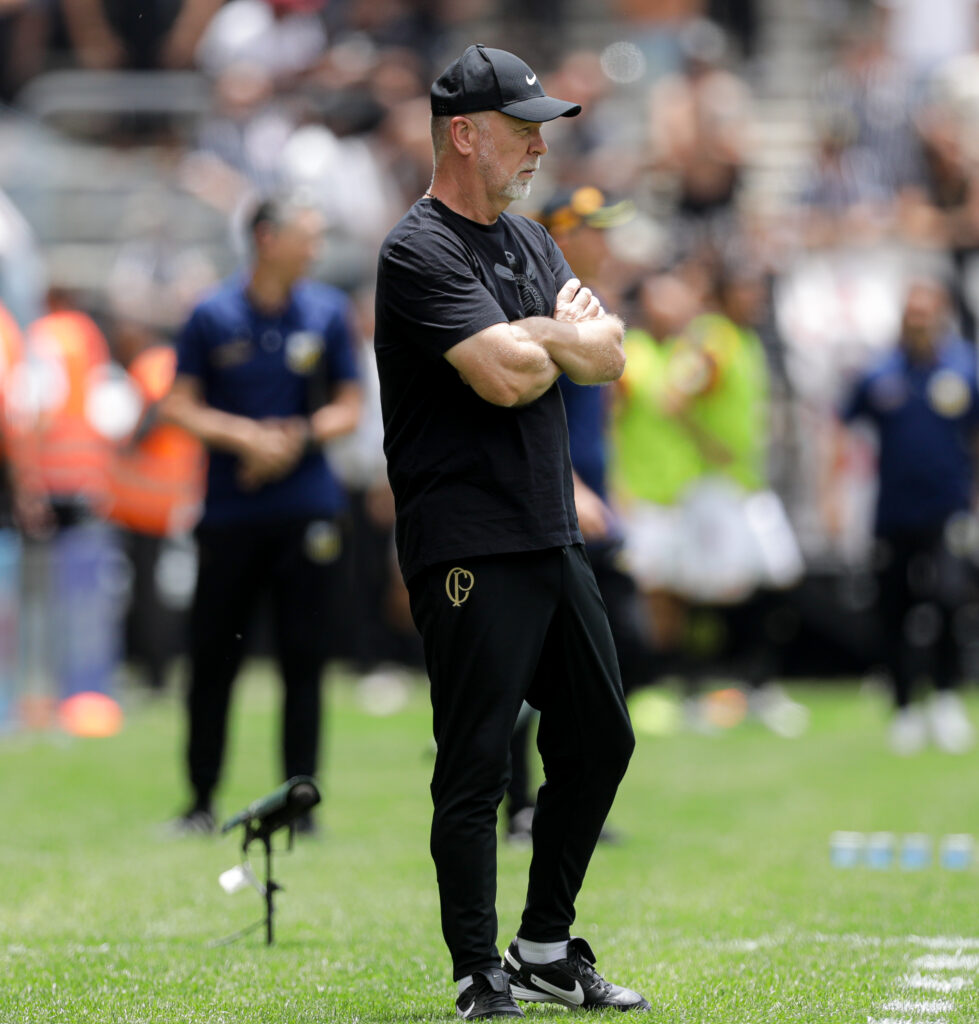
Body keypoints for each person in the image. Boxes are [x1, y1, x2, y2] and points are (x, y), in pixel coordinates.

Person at [374, 44, 649, 1019]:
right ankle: (477, 969)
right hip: (467, 536)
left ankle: (541, 945)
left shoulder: (531, 243)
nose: (538, 145)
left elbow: (608, 353)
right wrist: (550, 336)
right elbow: (506, 376)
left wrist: (545, 338)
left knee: (602, 737)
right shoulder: (418, 248)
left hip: (544, 525)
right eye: (521, 126)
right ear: (463, 132)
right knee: (478, 758)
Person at [161, 194, 361, 833]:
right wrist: (246, 438)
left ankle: (299, 805)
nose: (316, 248)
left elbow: (350, 405)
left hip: (306, 511)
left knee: (304, 661)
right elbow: (179, 404)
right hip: (229, 516)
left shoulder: (328, 312)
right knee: (212, 660)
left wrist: (294, 438)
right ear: (267, 238)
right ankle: (199, 800)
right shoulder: (211, 313)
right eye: (308, 234)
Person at [840, 274, 978, 755]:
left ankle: (943, 699)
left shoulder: (964, 368)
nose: (919, 321)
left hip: (947, 511)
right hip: (892, 513)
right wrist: (833, 497)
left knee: (946, 600)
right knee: (893, 610)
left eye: (926, 312)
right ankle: (902, 707)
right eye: (911, 313)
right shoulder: (880, 373)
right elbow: (843, 427)